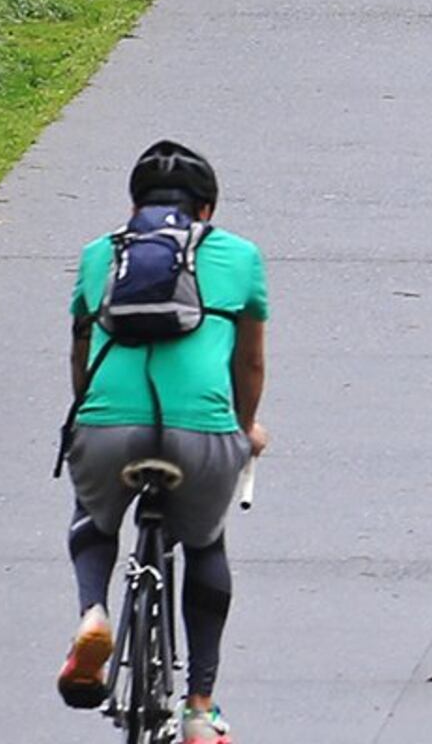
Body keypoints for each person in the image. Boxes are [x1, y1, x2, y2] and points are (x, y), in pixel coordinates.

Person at [56, 140, 268, 743]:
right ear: (207, 210)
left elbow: (80, 353)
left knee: (94, 518)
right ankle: (200, 709)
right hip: (201, 431)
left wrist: (86, 418)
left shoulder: (99, 256)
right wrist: (245, 428)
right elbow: (249, 366)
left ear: (134, 205)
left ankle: (93, 614)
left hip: (107, 425)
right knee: (204, 544)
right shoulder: (240, 256)